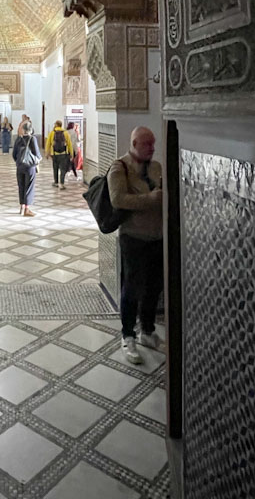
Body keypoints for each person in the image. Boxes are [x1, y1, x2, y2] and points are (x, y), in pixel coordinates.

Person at [108, 126, 163, 365]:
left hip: (156, 237)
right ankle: (128, 335)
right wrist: (148, 199)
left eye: (153, 143)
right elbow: (118, 199)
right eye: (147, 144)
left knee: (153, 286)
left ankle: (147, 330)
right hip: (133, 237)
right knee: (132, 288)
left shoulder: (156, 167)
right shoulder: (120, 168)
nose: (152, 148)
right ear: (134, 143)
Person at [12, 120, 41, 216]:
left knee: (21, 186)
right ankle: (27, 209)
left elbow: (14, 154)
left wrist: (19, 161)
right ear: (31, 130)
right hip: (30, 167)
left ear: (23, 130)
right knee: (29, 187)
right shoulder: (32, 139)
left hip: (20, 166)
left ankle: (22, 207)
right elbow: (37, 154)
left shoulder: (18, 139)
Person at [45, 120, 73, 189]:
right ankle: (62, 184)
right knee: (63, 169)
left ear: (56, 125)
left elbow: (48, 144)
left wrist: (47, 153)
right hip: (64, 154)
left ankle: (56, 182)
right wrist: (71, 153)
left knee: (55, 168)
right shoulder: (65, 133)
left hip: (54, 154)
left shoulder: (52, 133)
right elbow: (69, 144)